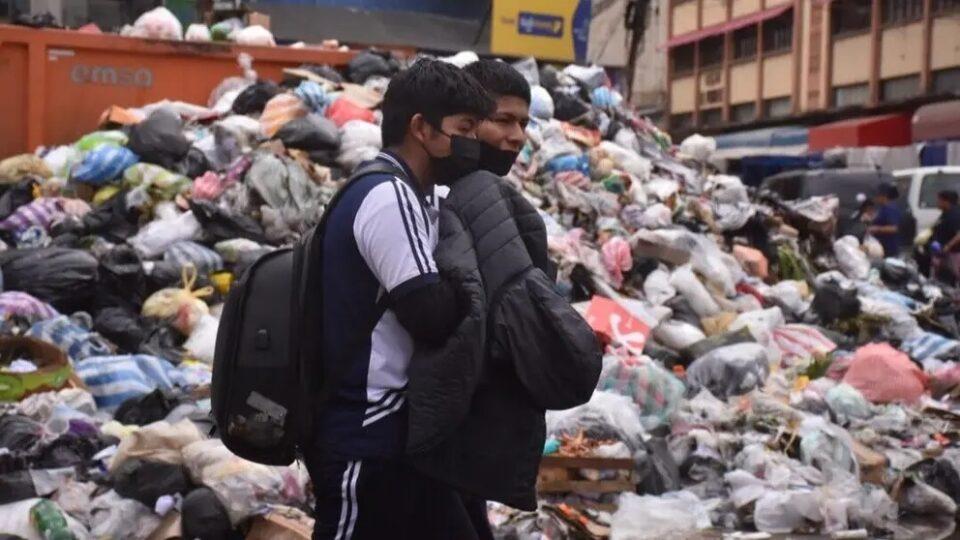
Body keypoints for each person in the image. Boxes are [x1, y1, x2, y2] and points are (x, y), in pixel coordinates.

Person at [308, 59, 494, 540]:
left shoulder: (412, 193)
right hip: (362, 435)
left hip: (396, 434)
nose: (472, 142)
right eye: (464, 129)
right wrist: (471, 291)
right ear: (420, 128)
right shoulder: (388, 194)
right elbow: (428, 313)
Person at [464, 59, 531, 176]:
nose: (519, 137)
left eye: (523, 124)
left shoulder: (493, 190)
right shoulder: (430, 188)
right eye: (504, 120)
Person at [931, 190, 960, 282]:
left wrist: (948, 246)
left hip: (953, 253)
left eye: (939, 200)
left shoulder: (955, 215)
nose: (937, 203)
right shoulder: (945, 214)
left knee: (954, 277)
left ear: (946, 201)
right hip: (942, 253)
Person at [868, 183, 902, 257]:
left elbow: (894, 228)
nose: (875, 198)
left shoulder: (890, 208)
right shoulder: (882, 207)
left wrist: (877, 229)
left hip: (889, 248)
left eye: (877, 195)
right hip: (881, 246)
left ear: (884, 196)